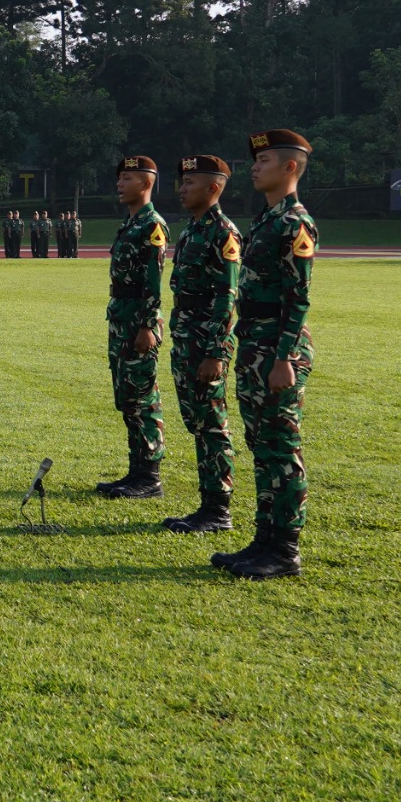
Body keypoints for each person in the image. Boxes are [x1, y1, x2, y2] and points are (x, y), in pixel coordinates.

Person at [213, 129, 318, 580]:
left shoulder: (295, 223)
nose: (255, 167)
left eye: (266, 160)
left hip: (278, 349)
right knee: (263, 448)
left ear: (290, 167)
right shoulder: (266, 219)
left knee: (281, 448)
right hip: (256, 346)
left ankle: (285, 550)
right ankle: (264, 540)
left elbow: (298, 298)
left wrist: (283, 360)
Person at [162, 155, 241, 535]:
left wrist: (215, 352)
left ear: (213, 188)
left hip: (205, 340)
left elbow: (227, 297)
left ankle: (217, 509)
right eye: (182, 181)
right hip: (187, 336)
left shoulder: (222, 232)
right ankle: (207, 505)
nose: (182, 188)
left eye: (190, 183)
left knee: (211, 425)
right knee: (197, 422)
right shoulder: (191, 230)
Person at [96, 156, 169, 499]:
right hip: (122, 319)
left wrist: (147, 325)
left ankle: (150, 476)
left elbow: (152, 284)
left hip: (138, 323)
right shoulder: (130, 224)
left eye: (127, 178)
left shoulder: (150, 225)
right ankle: (135, 471)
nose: (119, 184)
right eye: (119, 178)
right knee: (128, 397)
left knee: (143, 398)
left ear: (146, 184)